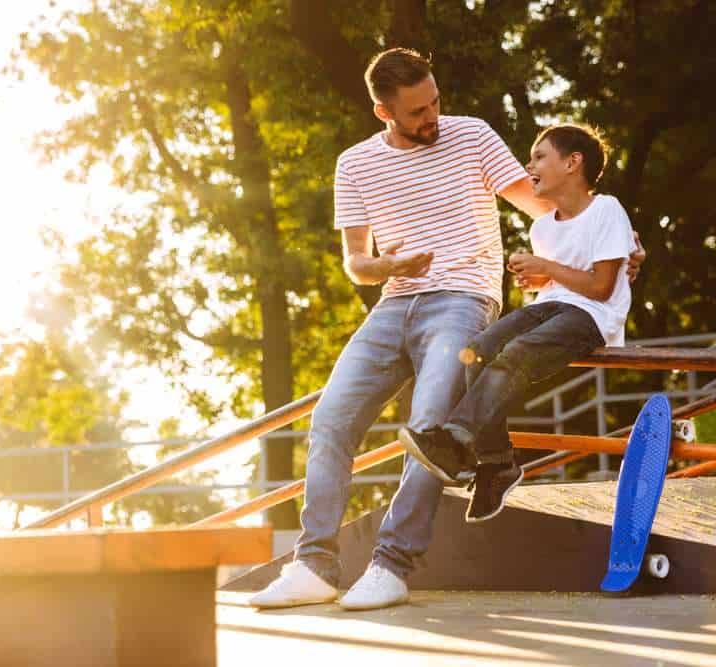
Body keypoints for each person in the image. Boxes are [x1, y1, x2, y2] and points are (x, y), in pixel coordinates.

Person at [250, 49, 645, 611]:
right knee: (331, 419)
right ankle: (314, 564)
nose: (432, 115)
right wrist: (389, 268)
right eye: (416, 111)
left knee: (429, 425)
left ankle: (391, 564)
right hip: (392, 304)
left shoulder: (472, 136)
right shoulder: (355, 164)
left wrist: (617, 244)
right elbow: (356, 263)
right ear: (382, 111)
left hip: (464, 299)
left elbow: (552, 204)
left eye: (434, 101)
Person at [400, 123, 636, 523]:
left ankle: (456, 440)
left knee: (517, 353)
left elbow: (599, 287)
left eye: (539, 157)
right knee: (475, 352)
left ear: (573, 163)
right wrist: (540, 279)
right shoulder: (542, 227)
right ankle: (497, 464)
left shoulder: (606, 210)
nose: (529, 167)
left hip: (592, 317)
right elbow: (561, 279)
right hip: (550, 307)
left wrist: (546, 267)